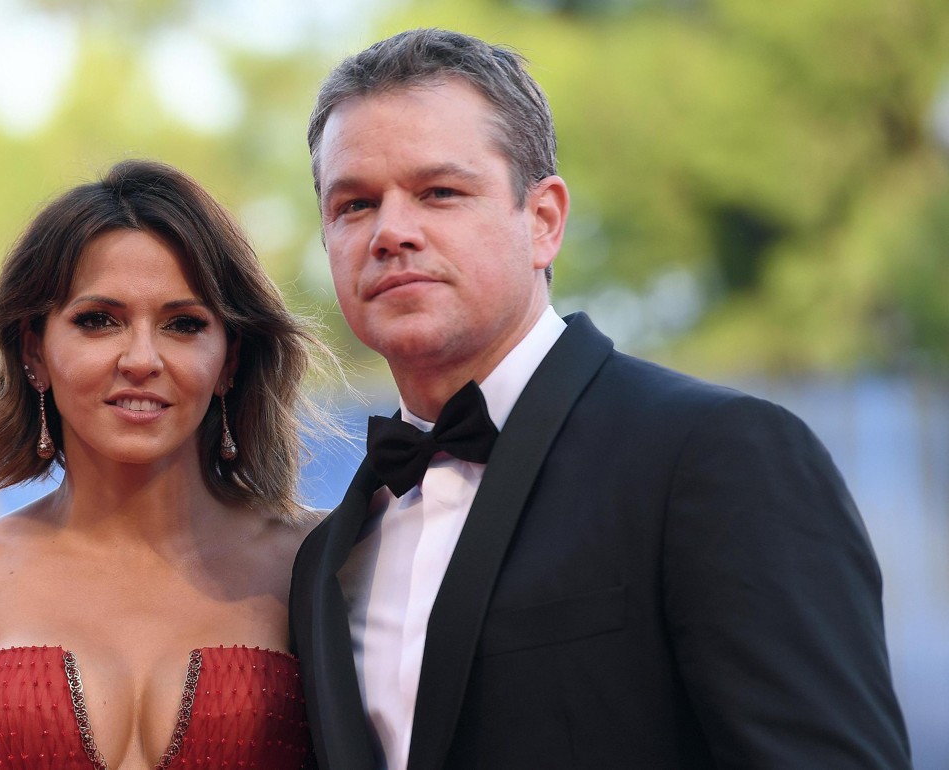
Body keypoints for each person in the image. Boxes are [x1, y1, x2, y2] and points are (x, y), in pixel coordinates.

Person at [288, 28, 911, 769]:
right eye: (354, 205)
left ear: (544, 221)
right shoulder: (323, 552)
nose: (391, 231)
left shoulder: (717, 455)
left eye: (439, 192)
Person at [0, 159, 328, 769]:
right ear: (35, 350)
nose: (141, 358)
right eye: (98, 321)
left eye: (183, 324)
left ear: (231, 359)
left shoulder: (321, 568)